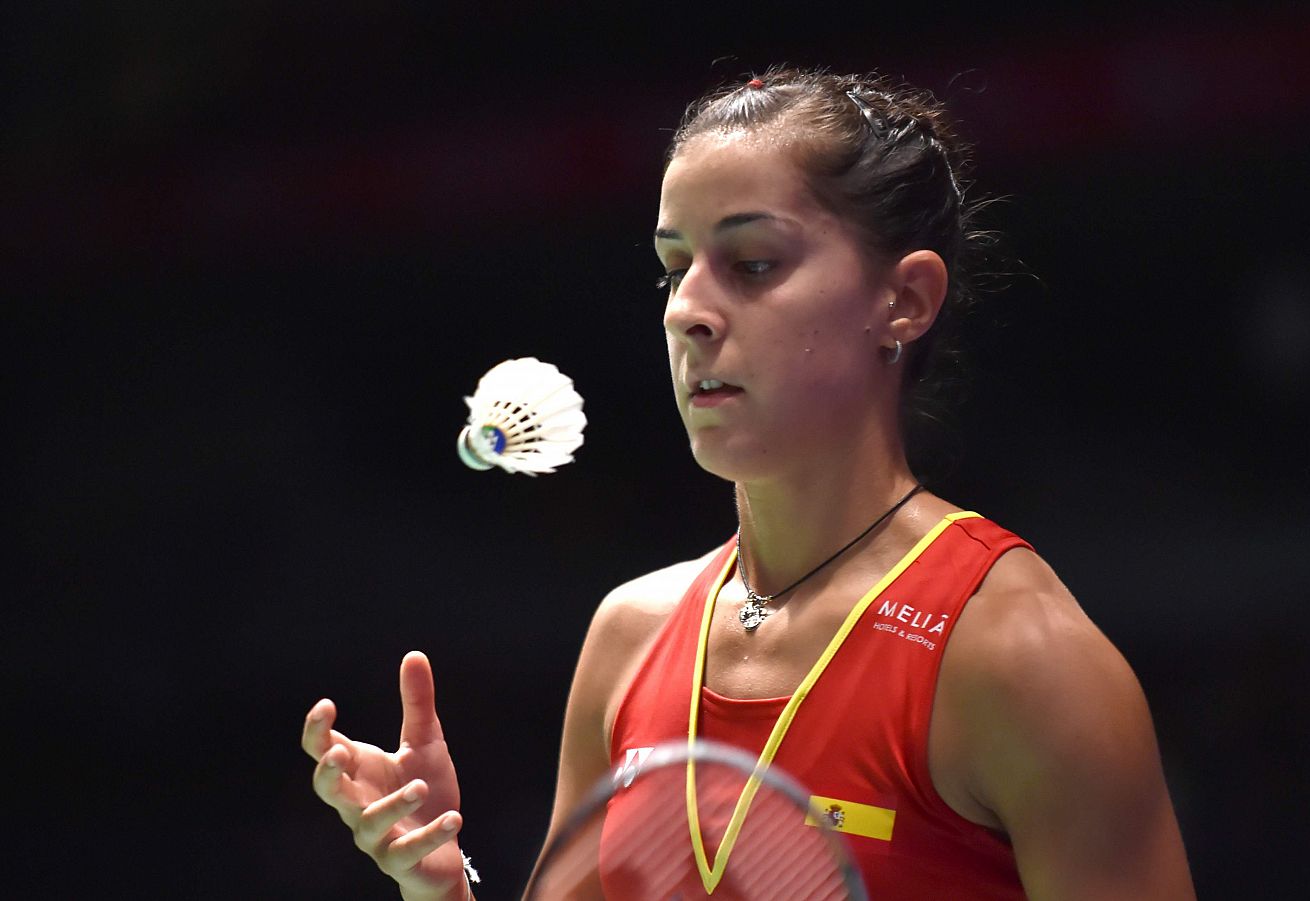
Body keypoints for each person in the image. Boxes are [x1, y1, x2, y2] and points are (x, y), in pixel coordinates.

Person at [302, 67, 1195, 900]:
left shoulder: (1018, 658)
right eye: (672, 264)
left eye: (753, 263)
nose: (687, 307)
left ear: (905, 301)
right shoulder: (629, 638)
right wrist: (440, 883)